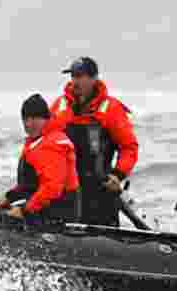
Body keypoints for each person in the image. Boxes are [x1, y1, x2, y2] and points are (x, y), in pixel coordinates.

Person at [50, 57, 139, 226]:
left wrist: (118, 175)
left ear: (93, 78)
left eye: (79, 76)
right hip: (66, 188)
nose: (75, 81)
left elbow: (129, 148)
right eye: (73, 76)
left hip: (99, 189)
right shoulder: (59, 106)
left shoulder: (111, 108)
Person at [0, 94, 80, 222]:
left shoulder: (53, 143)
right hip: (41, 208)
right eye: (25, 119)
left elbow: (52, 187)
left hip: (58, 215)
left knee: (2, 220)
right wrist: (8, 197)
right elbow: (30, 185)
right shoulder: (37, 141)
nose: (28, 124)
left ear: (45, 118)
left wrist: (24, 210)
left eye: (34, 118)